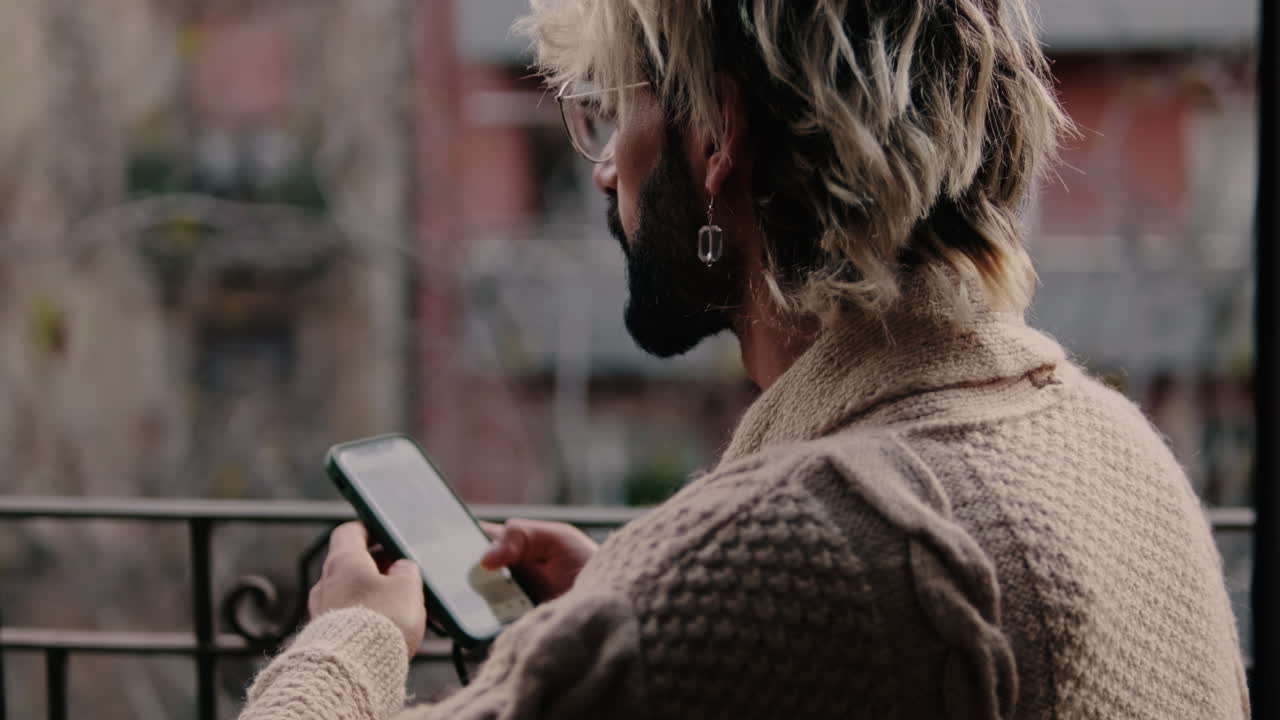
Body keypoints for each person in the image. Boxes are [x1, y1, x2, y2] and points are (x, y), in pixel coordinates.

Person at [239, 0, 1250, 718]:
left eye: (608, 110)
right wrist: (629, 615)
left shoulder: (799, 552)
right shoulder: (1115, 444)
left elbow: (818, 589)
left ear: (717, 133)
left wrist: (355, 637)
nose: (601, 167)